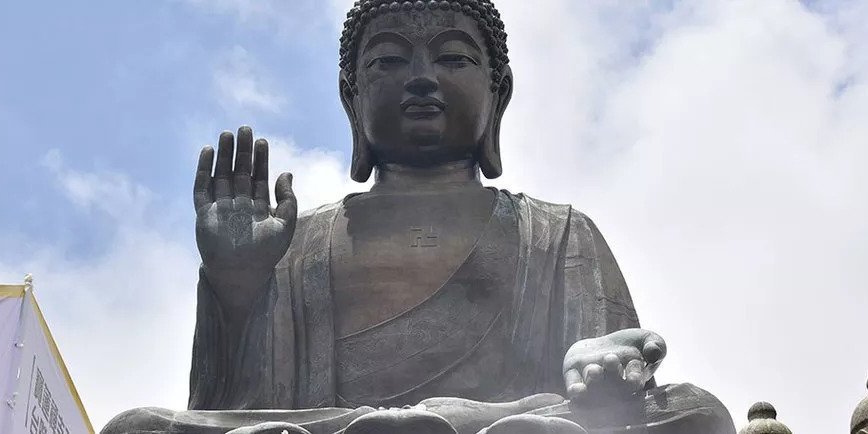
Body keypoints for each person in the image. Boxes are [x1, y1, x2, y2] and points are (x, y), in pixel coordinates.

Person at [103, 1, 735, 433]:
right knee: (134, 429)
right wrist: (236, 287)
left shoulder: (558, 233)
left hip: (517, 423)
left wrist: (602, 375)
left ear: (499, 93)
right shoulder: (300, 244)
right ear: (352, 99)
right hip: (340, 429)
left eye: (454, 58)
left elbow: (611, 387)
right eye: (389, 61)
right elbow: (241, 408)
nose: (422, 79)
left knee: (696, 414)